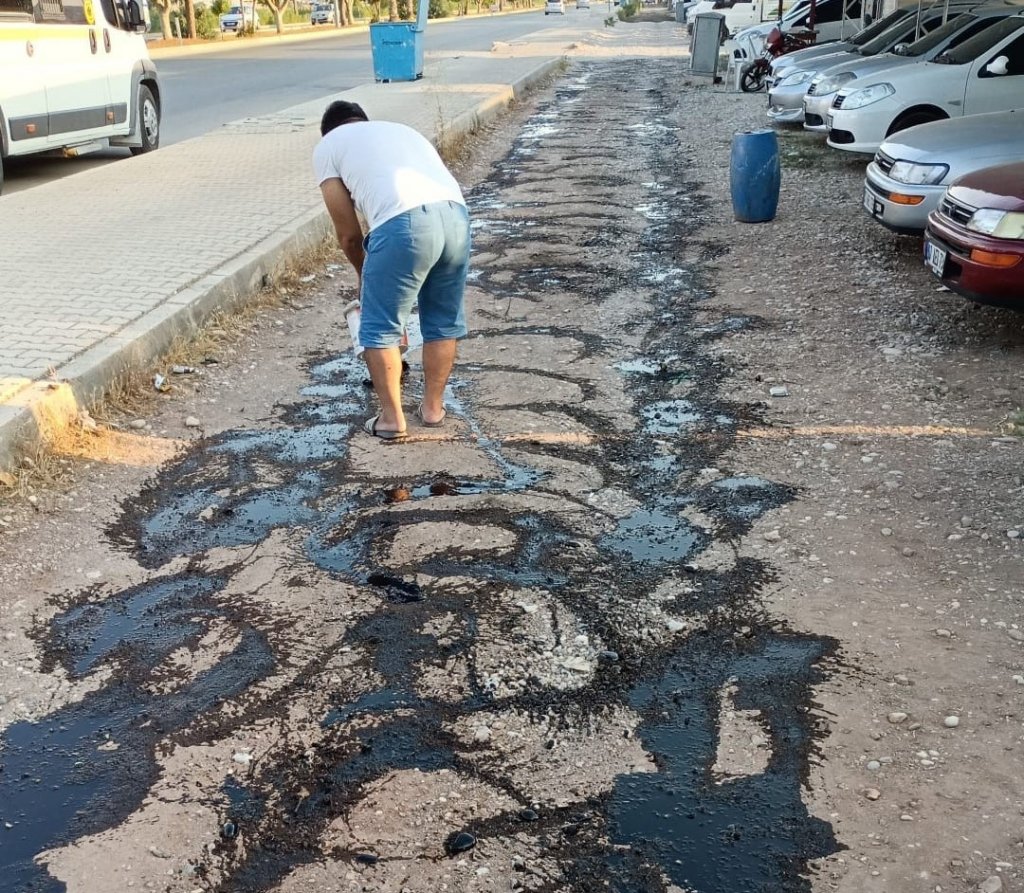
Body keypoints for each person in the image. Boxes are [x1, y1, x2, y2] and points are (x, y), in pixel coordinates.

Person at [313, 100, 472, 441]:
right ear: (362, 121)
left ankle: (391, 419)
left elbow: (349, 234)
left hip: (404, 224)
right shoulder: (401, 130)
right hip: (457, 218)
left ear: (328, 130)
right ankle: (432, 410)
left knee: (378, 326)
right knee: (443, 320)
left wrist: (363, 275)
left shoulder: (328, 146)